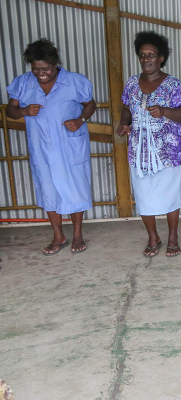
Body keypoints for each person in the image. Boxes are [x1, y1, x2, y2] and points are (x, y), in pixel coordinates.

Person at [6, 39, 97, 255]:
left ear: (55, 63)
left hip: (69, 146)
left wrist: (80, 121)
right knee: (48, 190)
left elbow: (90, 104)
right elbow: (10, 111)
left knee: (74, 188)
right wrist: (24, 112)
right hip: (41, 148)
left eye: (45, 68)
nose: (41, 73)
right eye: (36, 68)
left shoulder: (75, 81)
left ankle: (77, 235)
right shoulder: (23, 83)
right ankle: (59, 236)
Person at [117, 31, 181, 258]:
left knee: (170, 195)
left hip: (168, 151)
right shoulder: (132, 83)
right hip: (139, 151)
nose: (146, 59)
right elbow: (126, 108)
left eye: (151, 55)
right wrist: (124, 124)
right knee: (143, 195)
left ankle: (172, 237)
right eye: (142, 55)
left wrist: (165, 111)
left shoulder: (172, 85)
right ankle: (153, 237)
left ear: (161, 58)